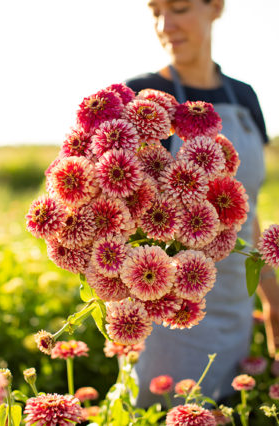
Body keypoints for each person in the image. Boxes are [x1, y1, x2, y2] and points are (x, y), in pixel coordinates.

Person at [124, 0, 278, 407]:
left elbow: (247, 207)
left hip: (234, 301)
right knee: (170, 407)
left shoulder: (244, 97)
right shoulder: (141, 99)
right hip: (169, 303)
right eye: (155, 12)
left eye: (178, 8)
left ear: (216, 8)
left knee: (233, 405)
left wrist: (271, 294)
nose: (164, 24)